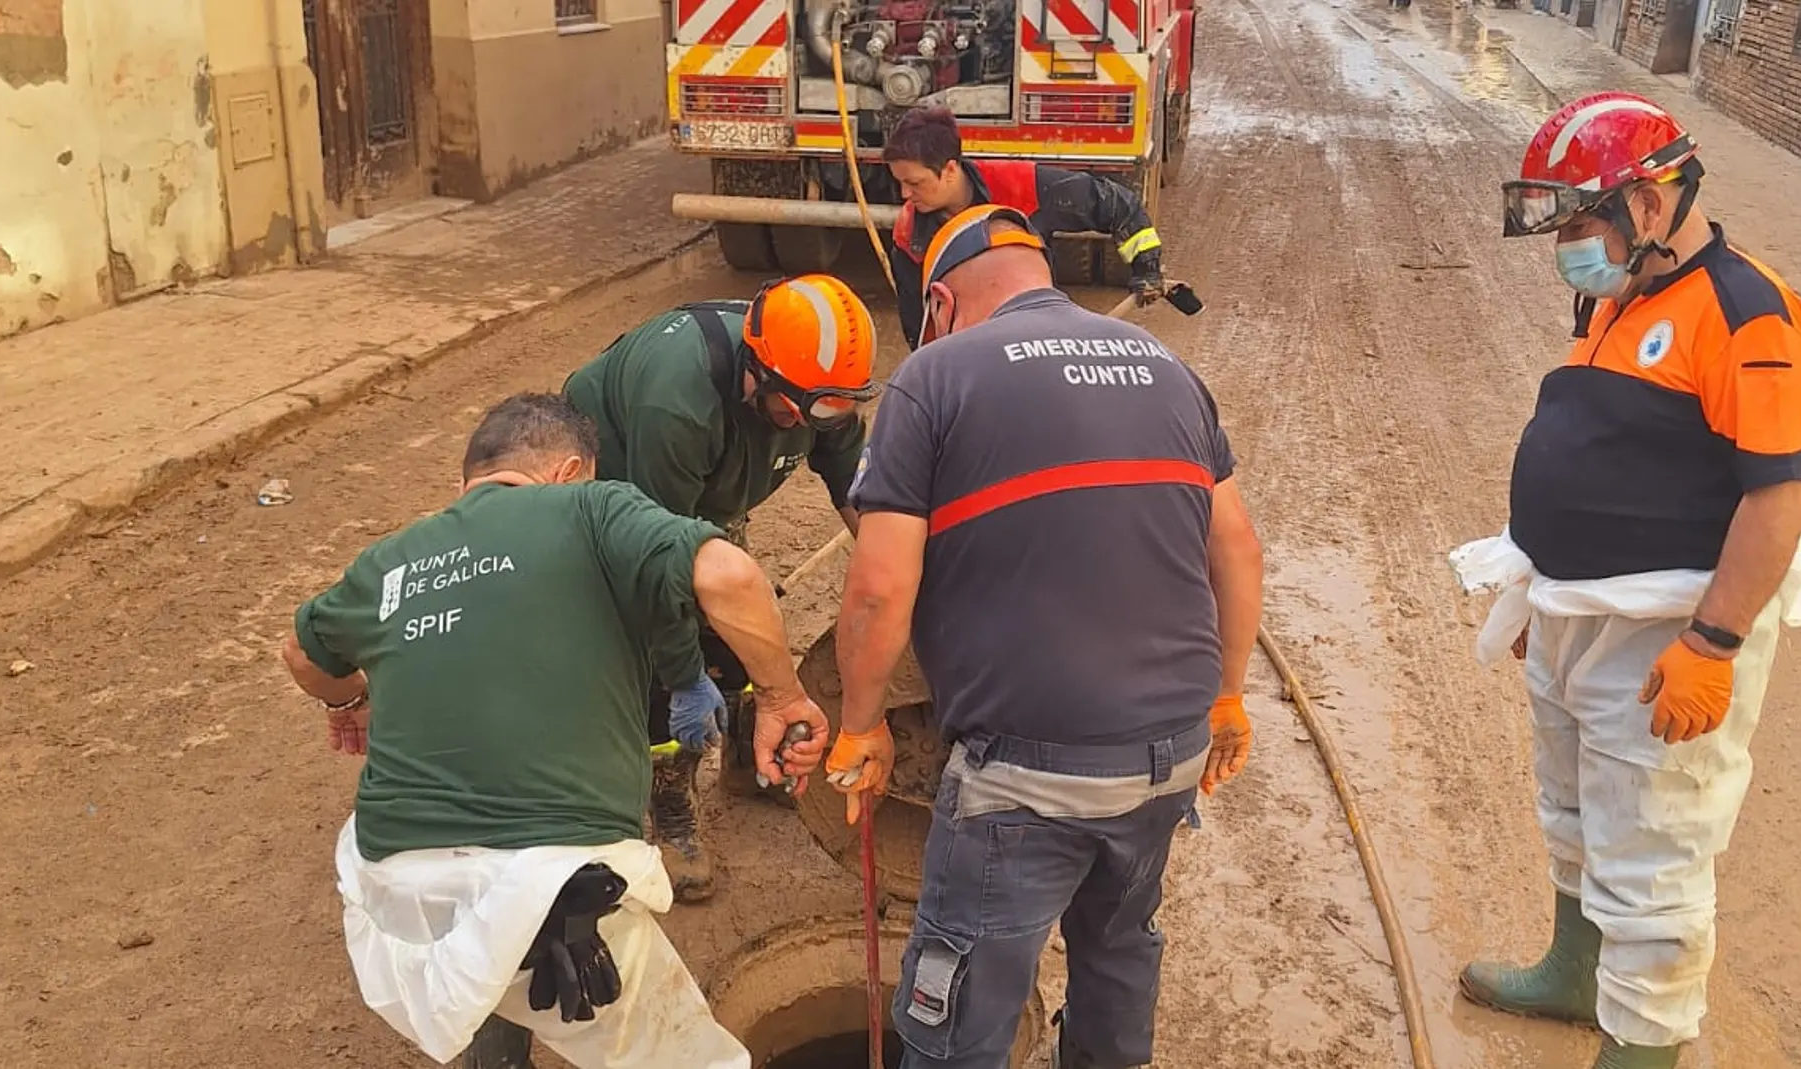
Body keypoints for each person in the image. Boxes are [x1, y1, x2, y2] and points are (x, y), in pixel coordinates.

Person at [823, 205, 1265, 1069]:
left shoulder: (937, 376)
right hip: (1167, 756)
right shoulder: (1169, 367)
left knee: (961, 1016)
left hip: (1026, 778)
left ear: (941, 303)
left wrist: (863, 721)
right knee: (1117, 948)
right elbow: (1239, 550)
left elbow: (879, 588)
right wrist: (1228, 697)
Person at [280, 392, 829, 1068]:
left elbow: (303, 653)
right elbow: (728, 572)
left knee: (490, 971)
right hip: (552, 868)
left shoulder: (389, 561)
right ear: (571, 471)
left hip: (398, 889)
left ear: (466, 482)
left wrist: (350, 703)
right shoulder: (591, 510)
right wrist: (780, 695)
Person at [1456, 91, 1801, 1069]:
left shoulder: (1749, 311)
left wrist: (1711, 643)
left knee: (1655, 848)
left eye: (1580, 221)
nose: (1569, 245)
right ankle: (1575, 971)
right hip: (1582, 619)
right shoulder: (1621, 295)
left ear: (1648, 205)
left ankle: (1642, 1048)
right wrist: (1540, 581)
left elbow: (1780, 496)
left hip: (1665, 634)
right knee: (1572, 808)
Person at [562, 273, 878, 903]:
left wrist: (886, 578)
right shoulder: (676, 407)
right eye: (803, 408)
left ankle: (744, 758)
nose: (813, 422)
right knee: (666, 644)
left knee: (741, 613)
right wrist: (683, 677)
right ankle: (669, 797)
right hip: (622, 474)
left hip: (704, 475)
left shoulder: (817, 389)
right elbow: (665, 572)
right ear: (756, 371)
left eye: (832, 409)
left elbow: (855, 489)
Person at [882, 105, 1169, 348]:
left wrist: (1147, 266)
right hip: (971, 353)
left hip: (1036, 339)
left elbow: (1115, 204)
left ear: (949, 170)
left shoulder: (1021, 187)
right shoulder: (911, 237)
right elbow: (919, 332)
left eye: (914, 183)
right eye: (900, 183)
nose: (905, 194)